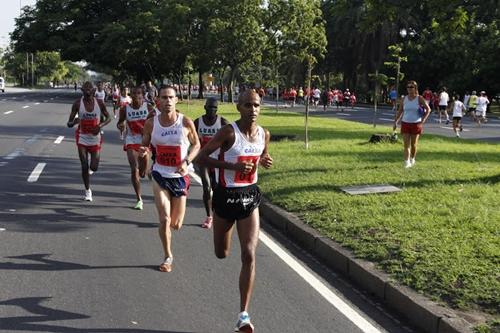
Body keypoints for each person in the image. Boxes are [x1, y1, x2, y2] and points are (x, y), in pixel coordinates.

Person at [195, 89, 273, 333]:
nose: (253, 110)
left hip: (250, 196)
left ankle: (243, 315)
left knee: (249, 254)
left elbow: (262, 155)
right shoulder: (229, 132)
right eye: (248, 105)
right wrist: (231, 165)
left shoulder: (264, 134)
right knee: (222, 253)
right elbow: (200, 158)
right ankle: (219, 235)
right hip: (225, 199)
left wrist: (264, 160)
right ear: (239, 108)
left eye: (257, 105)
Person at [138, 85, 200, 272]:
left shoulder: (186, 122)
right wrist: (144, 152)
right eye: (164, 97)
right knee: (164, 219)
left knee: (176, 224)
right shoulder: (151, 123)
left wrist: (187, 160)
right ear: (158, 100)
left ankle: (169, 245)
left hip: (180, 176)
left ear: (176, 99)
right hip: (160, 174)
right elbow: (145, 146)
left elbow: (197, 145)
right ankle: (167, 256)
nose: (167, 101)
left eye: (171, 97)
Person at [67, 81, 111, 201]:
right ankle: (87, 191)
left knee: (94, 167)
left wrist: (100, 126)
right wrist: (74, 122)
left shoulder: (100, 103)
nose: (87, 91)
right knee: (84, 165)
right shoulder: (77, 104)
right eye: (85, 89)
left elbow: (109, 118)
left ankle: (92, 168)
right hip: (82, 137)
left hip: (95, 138)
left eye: (89, 89)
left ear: (94, 91)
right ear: (81, 90)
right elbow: (69, 123)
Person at [117, 86, 156, 210]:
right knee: (134, 169)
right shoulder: (125, 109)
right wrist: (121, 126)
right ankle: (139, 199)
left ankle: (144, 172)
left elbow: (157, 124)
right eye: (133, 93)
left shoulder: (149, 109)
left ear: (142, 96)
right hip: (131, 140)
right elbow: (120, 122)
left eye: (138, 94)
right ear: (130, 96)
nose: (135, 96)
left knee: (142, 173)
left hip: (145, 142)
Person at [194, 98, 229, 228]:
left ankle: (217, 213)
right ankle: (209, 217)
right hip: (203, 159)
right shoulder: (198, 122)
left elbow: (231, 139)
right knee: (206, 187)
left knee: (217, 188)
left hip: (218, 160)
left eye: (214, 108)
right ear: (205, 107)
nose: (212, 110)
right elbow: (192, 139)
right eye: (209, 108)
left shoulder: (223, 122)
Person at [393, 80, 431, 168]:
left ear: (415, 88)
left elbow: (428, 109)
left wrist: (423, 120)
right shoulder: (404, 99)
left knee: (413, 144)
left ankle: (413, 158)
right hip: (405, 123)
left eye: (411, 87)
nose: (409, 89)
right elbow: (400, 111)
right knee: (406, 145)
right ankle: (407, 162)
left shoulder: (419, 98)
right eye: (408, 87)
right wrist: (396, 122)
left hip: (416, 124)